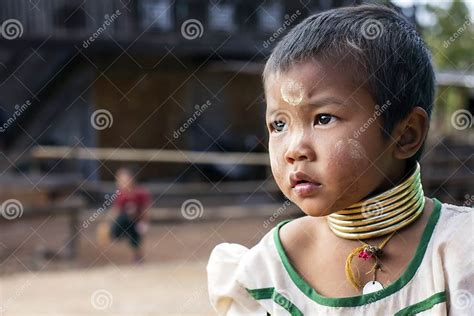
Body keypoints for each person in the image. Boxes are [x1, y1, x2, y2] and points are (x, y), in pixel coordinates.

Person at [206, 5, 473, 315]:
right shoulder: (267, 268)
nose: (294, 149)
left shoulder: (460, 252)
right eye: (279, 124)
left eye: (323, 118)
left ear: (406, 135)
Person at [110, 167, 151, 264]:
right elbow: (115, 211)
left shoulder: (140, 192)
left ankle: (137, 256)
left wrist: (144, 222)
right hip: (124, 222)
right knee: (122, 220)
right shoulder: (120, 195)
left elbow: (146, 210)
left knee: (135, 230)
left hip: (136, 221)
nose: (122, 182)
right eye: (120, 180)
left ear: (132, 179)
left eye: (125, 180)